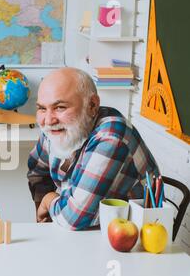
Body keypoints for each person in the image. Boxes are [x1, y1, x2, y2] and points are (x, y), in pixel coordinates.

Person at [27, 67, 160, 230]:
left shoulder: (111, 137)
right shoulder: (57, 128)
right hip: (86, 233)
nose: (48, 120)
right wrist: (44, 216)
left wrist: (49, 201)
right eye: (42, 108)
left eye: (60, 107)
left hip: (132, 240)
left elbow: (72, 218)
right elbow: (37, 171)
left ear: (92, 105)